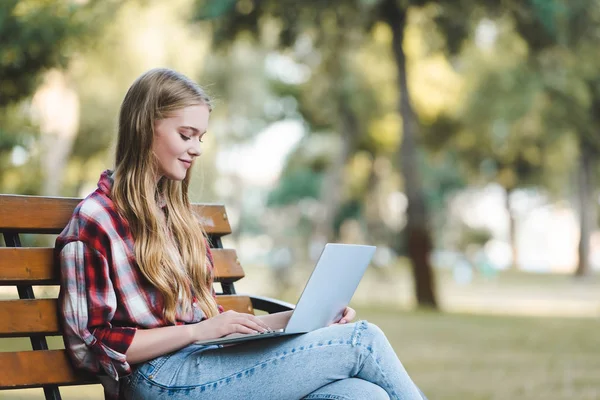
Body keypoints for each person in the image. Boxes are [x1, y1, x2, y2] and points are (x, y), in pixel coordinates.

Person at [56, 68, 427, 400]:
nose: (196, 149)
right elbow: (91, 345)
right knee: (363, 340)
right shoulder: (96, 220)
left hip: (204, 362)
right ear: (143, 127)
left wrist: (302, 319)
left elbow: (216, 324)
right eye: (186, 135)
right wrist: (197, 333)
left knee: (359, 394)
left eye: (201, 137)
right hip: (154, 379)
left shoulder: (177, 218)